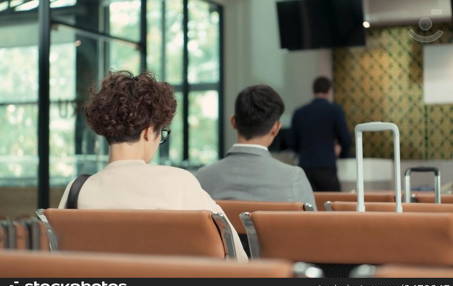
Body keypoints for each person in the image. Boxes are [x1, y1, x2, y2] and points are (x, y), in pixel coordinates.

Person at [58, 71, 247, 261]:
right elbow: (237, 258)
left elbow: (60, 257)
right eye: (161, 134)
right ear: (149, 132)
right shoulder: (178, 183)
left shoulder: (77, 189)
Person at [196, 85, 316, 209]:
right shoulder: (294, 178)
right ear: (276, 128)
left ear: (233, 122)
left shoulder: (202, 178)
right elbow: (313, 227)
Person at [290, 76, 352, 192]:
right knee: (330, 204)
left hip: (305, 166)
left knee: (307, 205)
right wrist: (341, 153)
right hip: (326, 165)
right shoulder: (335, 110)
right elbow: (346, 139)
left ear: (313, 90)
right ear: (329, 90)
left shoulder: (299, 112)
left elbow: (293, 143)